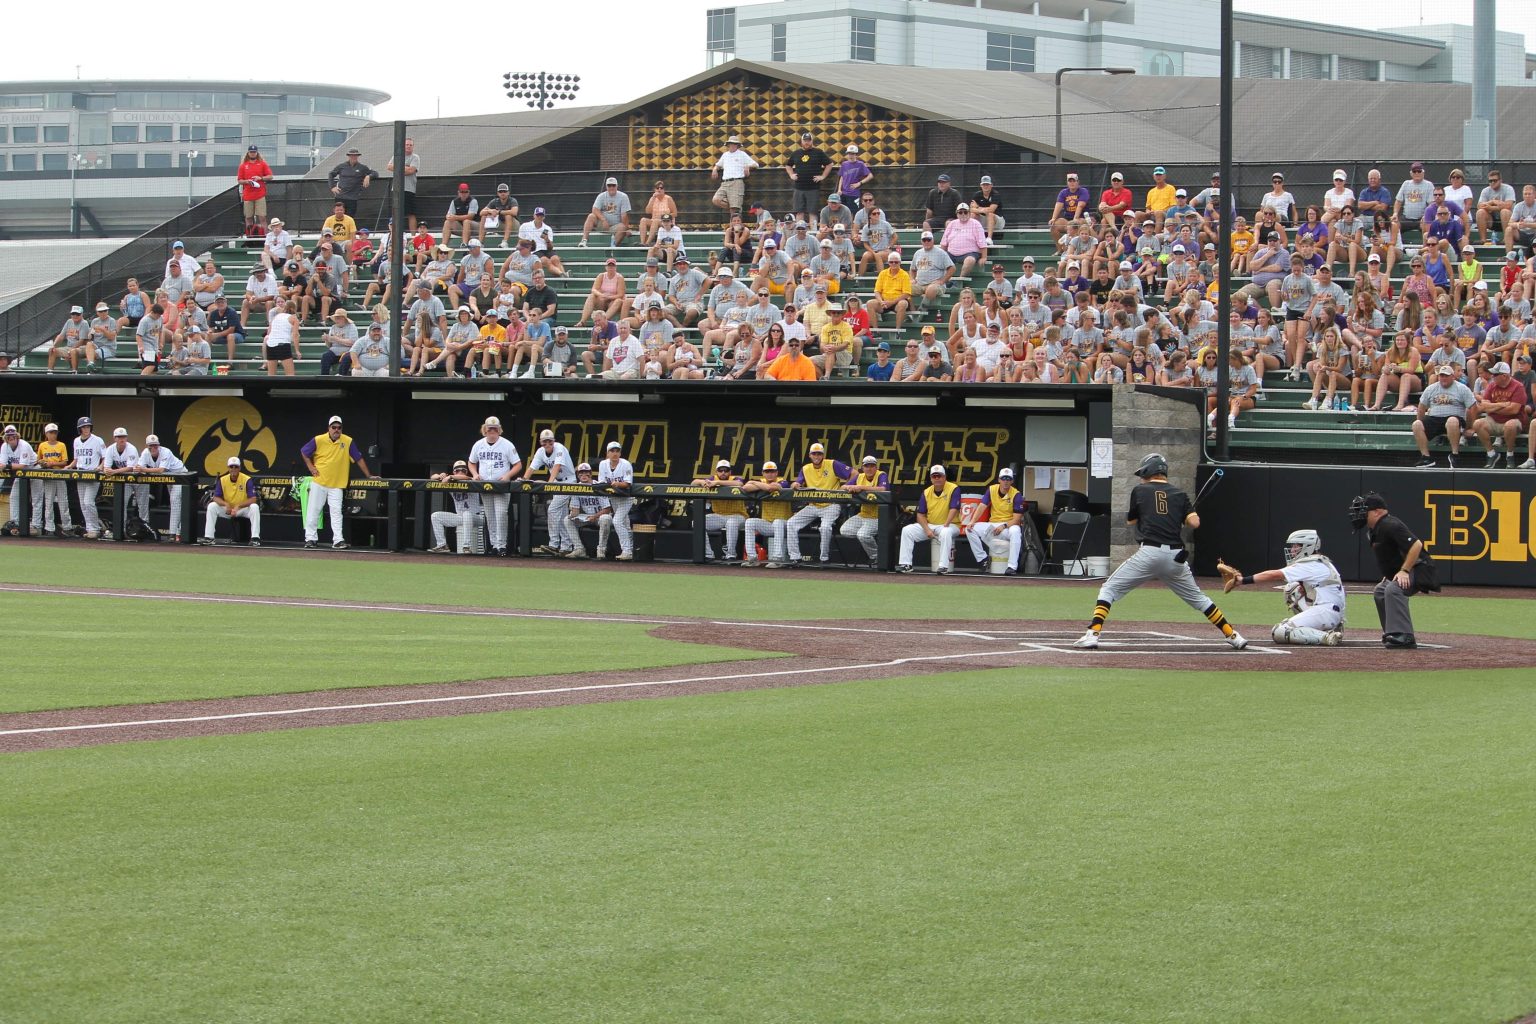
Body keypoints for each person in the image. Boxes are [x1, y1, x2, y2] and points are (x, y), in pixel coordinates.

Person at [1072, 453, 1247, 650]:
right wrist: (1179, 518)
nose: (1141, 478)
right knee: (1199, 599)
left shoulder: (1139, 490)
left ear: (1148, 470)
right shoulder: (1180, 495)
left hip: (1150, 553)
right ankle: (1233, 635)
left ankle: (1093, 634)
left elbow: (1131, 521)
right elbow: (1195, 523)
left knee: (1108, 589)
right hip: (1176, 558)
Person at [1217, 530, 1344, 646]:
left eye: (1296, 546)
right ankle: (1331, 628)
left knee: (1280, 631)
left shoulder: (1309, 564)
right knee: (1293, 589)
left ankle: (1326, 637)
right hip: (1331, 611)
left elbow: (1275, 574)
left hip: (1326, 611)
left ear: (1307, 546)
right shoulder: (1321, 561)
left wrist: (1242, 581)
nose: (1293, 550)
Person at [1350, 492, 1433, 649]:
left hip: (1421, 568)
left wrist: (1404, 571)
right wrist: (1390, 574)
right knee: (1380, 591)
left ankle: (1405, 636)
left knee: (1394, 589)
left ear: (1377, 512)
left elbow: (1417, 545)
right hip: (1409, 568)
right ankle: (1392, 632)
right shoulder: (1376, 529)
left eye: (1363, 511)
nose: (1359, 515)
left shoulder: (1390, 524)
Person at [300, 415, 375, 550]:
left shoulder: (348, 441)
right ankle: (310, 539)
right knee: (313, 511)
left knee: (336, 512)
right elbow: (304, 452)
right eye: (333, 427)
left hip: (337, 484)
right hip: (320, 482)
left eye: (339, 428)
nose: (336, 430)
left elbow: (358, 458)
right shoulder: (319, 439)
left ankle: (338, 540)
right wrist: (311, 467)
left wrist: (368, 475)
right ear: (328, 428)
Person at [776, 443, 852, 567]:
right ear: (810, 455)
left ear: (823, 455)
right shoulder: (806, 468)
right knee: (791, 523)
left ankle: (824, 558)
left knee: (825, 527)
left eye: (819, 453)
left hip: (831, 504)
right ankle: (795, 558)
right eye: (814, 453)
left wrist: (848, 485)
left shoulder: (832, 464)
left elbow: (853, 473)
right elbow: (797, 482)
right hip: (814, 505)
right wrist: (795, 484)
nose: (817, 456)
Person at [466, 416, 521, 556]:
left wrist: (508, 475)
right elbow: (471, 462)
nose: (492, 431)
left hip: (501, 486)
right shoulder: (478, 444)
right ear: (485, 429)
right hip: (485, 485)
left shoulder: (507, 444)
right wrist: (474, 474)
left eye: (495, 428)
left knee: (501, 514)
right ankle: (493, 545)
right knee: (490, 516)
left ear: (499, 430)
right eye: (489, 428)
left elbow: (518, 464)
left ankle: (502, 545)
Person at [1412, 364, 1479, 468]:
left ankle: (1455, 455)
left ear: (1452, 376)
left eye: (1446, 376)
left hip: (1455, 418)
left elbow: (1473, 407)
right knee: (1416, 424)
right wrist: (1421, 422)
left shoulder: (1462, 388)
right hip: (1434, 418)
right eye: (1441, 376)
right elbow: (1421, 406)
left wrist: (1470, 427)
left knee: (1452, 421)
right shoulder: (1431, 389)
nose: (1443, 378)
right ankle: (1426, 457)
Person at [897, 465, 960, 573]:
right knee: (907, 530)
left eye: (939, 476)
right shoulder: (926, 492)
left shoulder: (953, 488)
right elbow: (920, 514)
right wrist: (927, 529)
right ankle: (906, 564)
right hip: (931, 525)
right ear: (931, 478)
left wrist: (945, 524)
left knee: (945, 532)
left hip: (950, 525)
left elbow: (954, 509)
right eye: (934, 476)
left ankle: (943, 566)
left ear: (944, 477)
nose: (937, 478)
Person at [965, 468, 1026, 576]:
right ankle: (983, 559)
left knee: (1016, 531)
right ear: (999, 479)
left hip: (1007, 527)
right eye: (1003, 478)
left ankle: (1012, 567)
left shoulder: (1016, 495)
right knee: (969, 529)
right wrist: (972, 521)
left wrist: (1004, 526)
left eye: (1008, 479)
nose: (1006, 481)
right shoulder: (992, 489)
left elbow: (1017, 519)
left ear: (1012, 481)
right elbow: (981, 507)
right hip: (993, 525)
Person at [527, 429, 578, 556]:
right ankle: (566, 546)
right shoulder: (540, 452)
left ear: (553, 441)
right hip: (556, 481)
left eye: (549, 441)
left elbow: (557, 466)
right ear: (541, 443)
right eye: (544, 442)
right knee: (561, 515)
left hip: (568, 481)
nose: (547, 444)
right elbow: (532, 467)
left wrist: (549, 483)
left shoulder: (559, 448)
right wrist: (524, 479)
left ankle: (554, 544)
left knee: (553, 510)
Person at [132, 433, 187, 540]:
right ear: (147, 446)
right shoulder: (145, 453)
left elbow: (161, 470)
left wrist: (143, 470)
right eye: (150, 446)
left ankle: (173, 534)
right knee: (174, 503)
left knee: (174, 501)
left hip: (180, 476)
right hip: (169, 479)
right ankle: (176, 532)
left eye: (155, 445)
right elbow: (138, 467)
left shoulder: (165, 452)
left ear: (159, 445)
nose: (153, 448)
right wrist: (139, 469)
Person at [691, 460, 747, 561]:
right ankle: (708, 554)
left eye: (726, 470)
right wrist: (703, 482)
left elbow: (739, 484)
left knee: (731, 523)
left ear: (730, 472)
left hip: (738, 516)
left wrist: (717, 483)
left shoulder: (734, 478)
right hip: (719, 516)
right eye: (720, 470)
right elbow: (693, 483)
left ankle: (731, 555)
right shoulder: (712, 479)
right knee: (698, 522)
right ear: (716, 471)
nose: (723, 473)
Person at [201, 456, 261, 546]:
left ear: (239, 468)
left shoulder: (246, 479)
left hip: (241, 509)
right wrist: (226, 504)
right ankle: (209, 538)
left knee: (254, 507)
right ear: (228, 468)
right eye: (231, 467)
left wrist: (238, 506)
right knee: (212, 506)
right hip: (228, 509)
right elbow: (216, 497)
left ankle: (255, 538)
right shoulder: (223, 480)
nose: (233, 469)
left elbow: (253, 499)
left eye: (236, 467)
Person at [838, 455, 887, 565]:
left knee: (862, 535)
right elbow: (842, 487)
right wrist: (849, 487)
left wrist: (861, 487)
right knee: (844, 530)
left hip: (877, 517)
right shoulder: (859, 476)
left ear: (876, 467)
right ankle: (868, 540)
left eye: (872, 466)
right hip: (863, 515)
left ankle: (877, 556)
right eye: (866, 466)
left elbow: (882, 489)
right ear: (863, 468)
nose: (869, 468)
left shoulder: (881, 475)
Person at [427, 460, 484, 555]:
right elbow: (432, 477)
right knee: (435, 516)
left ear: (466, 471)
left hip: (477, 518)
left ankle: (467, 546)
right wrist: (440, 476)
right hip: (460, 517)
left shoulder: (471, 480)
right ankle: (442, 545)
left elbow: (464, 477)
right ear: (454, 471)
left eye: (463, 470)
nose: (460, 472)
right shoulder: (450, 482)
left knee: (467, 514)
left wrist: (450, 476)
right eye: (457, 470)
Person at [742, 461, 791, 567]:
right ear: (763, 473)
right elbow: (745, 487)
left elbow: (771, 488)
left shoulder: (784, 482)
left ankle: (777, 559)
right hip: (768, 524)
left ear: (777, 472)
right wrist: (759, 484)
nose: (770, 474)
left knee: (778, 522)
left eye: (772, 471)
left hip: (785, 525)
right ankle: (752, 558)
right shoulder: (762, 481)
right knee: (750, 522)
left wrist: (755, 483)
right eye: (767, 471)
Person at [64, 416, 106, 539]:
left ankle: (95, 528)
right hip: (81, 474)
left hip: (92, 474)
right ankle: (90, 528)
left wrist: (100, 467)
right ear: (80, 429)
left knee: (88, 502)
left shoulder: (98, 440)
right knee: (83, 504)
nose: (86, 429)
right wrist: (70, 466)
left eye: (88, 426)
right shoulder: (76, 441)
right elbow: (76, 459)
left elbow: (105, 457)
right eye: (83, 427)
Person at [597, 441, 635, 560]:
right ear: (607, 453)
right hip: (613, 498)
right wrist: (612, 486)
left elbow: (628, 484)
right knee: (625, 524)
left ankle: (627, 551)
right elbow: (602, 482)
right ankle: (631, 550)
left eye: (617, 451)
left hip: (625, 498)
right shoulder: (603, 464)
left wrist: (617, 484)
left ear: (620, 453)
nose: (614, 453)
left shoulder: (626, 464)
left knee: (617, 522)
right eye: (612, 451)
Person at [565, 463, 613, 558]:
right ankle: (579, 549)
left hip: (600, 517)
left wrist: (595, 516)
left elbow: (607, 509)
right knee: (567, 520)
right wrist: (573, 514)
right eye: (581, 473)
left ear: (590, 474)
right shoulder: (576, 488)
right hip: (587, 517)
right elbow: (576, 510)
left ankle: (601, 549)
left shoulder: (598, 486)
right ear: (578, 475)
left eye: (586, 473)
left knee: (605, 518)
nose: (583, 475)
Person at [784, 131, 833, 223]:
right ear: (801, 141)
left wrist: (823, 176)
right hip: (799, 188)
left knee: (813, 212)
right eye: (805, 140)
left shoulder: (818, 152)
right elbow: (788, 165)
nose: (807, 142)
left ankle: (813, 233)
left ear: (812, 141)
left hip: (813, 188)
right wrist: (791, 174)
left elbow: (830, 164)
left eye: (808, 140)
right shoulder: (796, 153)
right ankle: (799, 231)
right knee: (799, 212)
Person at [1, 424, 39, 532]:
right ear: (6, 438)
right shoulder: (5, 446)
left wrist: (7, 466)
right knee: (14, 496)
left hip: (34, 469)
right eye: (8, 437)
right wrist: (3, 466)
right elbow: (2, 463)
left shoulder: (24, 445)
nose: (11, 438)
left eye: (13, 436)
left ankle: (36, 525)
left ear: (17, 436)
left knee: (36, 499)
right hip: (20, 473)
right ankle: (15, 523)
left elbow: (23, 465)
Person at [710, 136, 758, 216]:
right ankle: (736, 207)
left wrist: (748, 167)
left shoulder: (742, 154)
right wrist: (714, 169)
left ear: (737, 145)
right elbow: (718, 165)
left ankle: (735, 221)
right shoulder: (725, 155)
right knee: (716, 200)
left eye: (734, 144)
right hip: (725, 183)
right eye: (731, 144)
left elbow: (755, 165)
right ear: (728, 145)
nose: (732, 146)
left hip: (737, 182)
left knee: (734, 211)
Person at [384, 136, 421, 231]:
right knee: (396, 212)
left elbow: (411, 170)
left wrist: (398, 168)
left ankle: (413, 236)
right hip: (396, 189)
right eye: (407, 145)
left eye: (410, 145)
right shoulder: (397, 156)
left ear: (413, 147)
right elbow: (389, 167)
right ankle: (395, 233)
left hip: (409, 189)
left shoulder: (415, 157)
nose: (408, 146)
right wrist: (405, 167)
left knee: (411, 213)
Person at [237, 145, 273, 235]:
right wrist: (247, 181)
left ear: (257, 153)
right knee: (248, 217)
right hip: (248, 196)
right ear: (248, 153)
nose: (252, 154)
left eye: (254, 152)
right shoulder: (243, 166)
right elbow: (239, 180)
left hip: (260, 194)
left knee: (262, 217)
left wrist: (260, 178)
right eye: (251, 152)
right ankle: (250, 237)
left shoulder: (262, 164)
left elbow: (270, 176)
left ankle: (265, 237)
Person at [327, 148, 373, 216]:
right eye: (352, 155)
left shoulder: (362, 167)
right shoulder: (341, 166)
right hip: (340, 196)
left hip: (352, 198)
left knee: (350, 218)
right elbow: (331, 174)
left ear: (358, 156)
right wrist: (332, 187)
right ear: (349, 156)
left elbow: (375, 173)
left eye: (355, 155)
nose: (353, 157)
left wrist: (368, 176)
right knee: (338, 216)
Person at [263, 301, 301, 377]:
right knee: (290, 375)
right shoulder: (294, 318)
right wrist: (297, 351)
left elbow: (269, 332)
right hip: (283, 344)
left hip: (271, 344)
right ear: (293, 309)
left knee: (271, 375)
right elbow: (295, 335)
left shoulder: (276, 317)